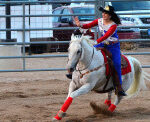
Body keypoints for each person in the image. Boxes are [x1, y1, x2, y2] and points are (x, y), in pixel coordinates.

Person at [74, 5, 126, 96]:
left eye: (106, 13)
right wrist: (80, 25)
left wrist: (96, 42)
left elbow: (106, 36)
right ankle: (75, 73)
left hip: (113, 46)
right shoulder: (99, 21)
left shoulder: (113, 25)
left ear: (110, 15)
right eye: (103, 12)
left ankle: (119, 87)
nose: (104, 14)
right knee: (86, 53)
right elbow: (88, 25)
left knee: (117, 63)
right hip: (102, 43)